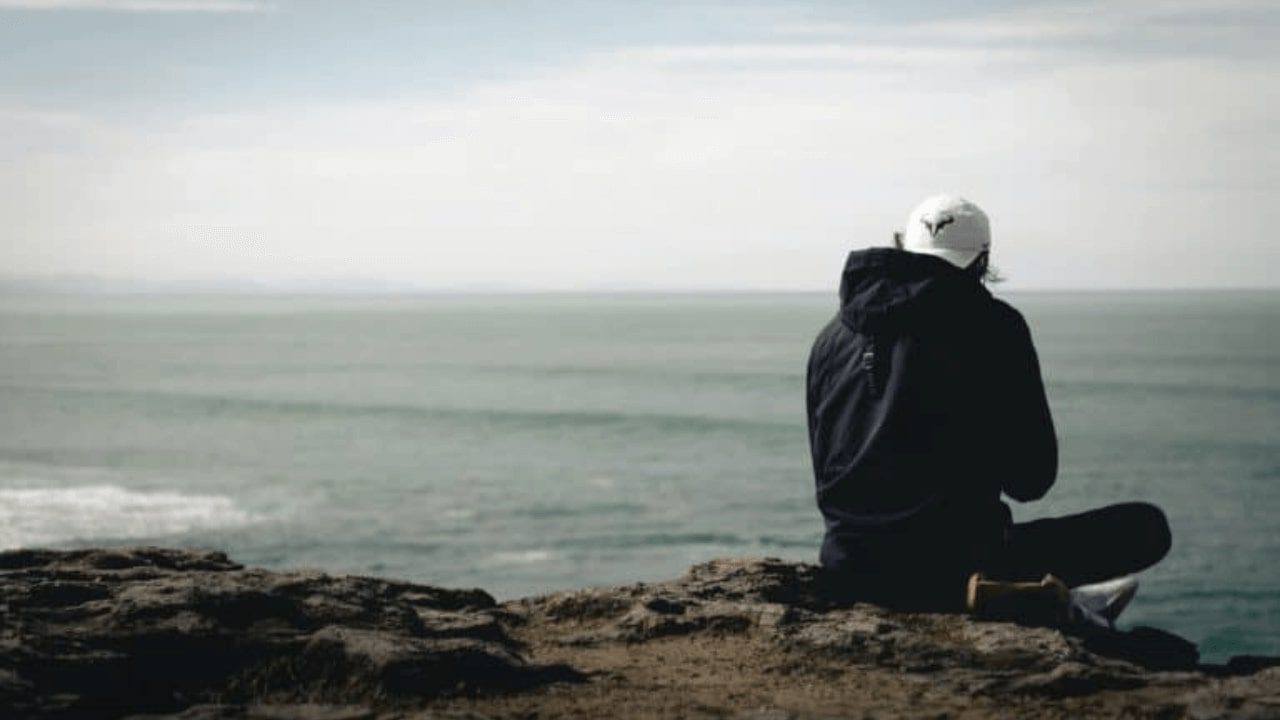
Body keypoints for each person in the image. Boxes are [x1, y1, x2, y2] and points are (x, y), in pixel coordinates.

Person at [805, 194, 1171, 613]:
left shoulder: (830, 339)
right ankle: (1036, 601)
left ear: (902, 245)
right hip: (955, 563)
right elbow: (1031, 480)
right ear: (982, 260)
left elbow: (828, 475)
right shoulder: (996, 328)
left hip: (848, 568)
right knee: (1146, 528)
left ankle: (1027, 597)